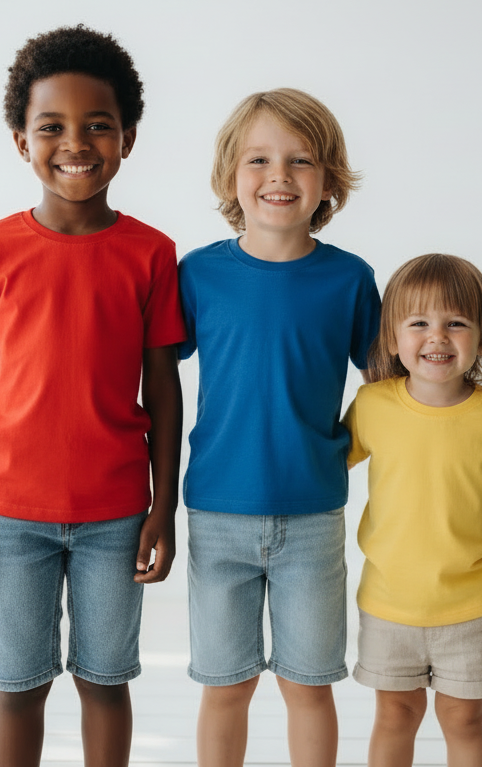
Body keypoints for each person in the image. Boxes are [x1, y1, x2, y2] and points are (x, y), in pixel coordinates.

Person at [0, 25, 184, 767]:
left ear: (128, 138)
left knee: (105, 680)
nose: (75, 143)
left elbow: (164, 386)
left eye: (97, 126)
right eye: (51, 127)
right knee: (18, 684)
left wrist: (162, 507)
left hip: (116, 514)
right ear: (21, 141)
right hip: (14, 515)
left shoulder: (151, 252)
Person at [178, 88, 381, 767]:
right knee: (225, 686)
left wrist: (337, 448)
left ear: (327, 179)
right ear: (232, 174)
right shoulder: (199, 274)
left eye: (300, 161)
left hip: (313, 519)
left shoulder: (350, 279)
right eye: (259, 159)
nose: (279, 177)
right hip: (216, 512)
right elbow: (149, 369)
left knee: (308, 684)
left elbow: (391, 388)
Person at [343, 253, 482, 767]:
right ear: (392, 337)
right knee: (395, 716)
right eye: (419, 323)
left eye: (456, 324)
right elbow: (327, 467)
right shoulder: (373, 406)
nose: (437, 337)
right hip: (387, 603)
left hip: (470, 607)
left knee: (465, 720)